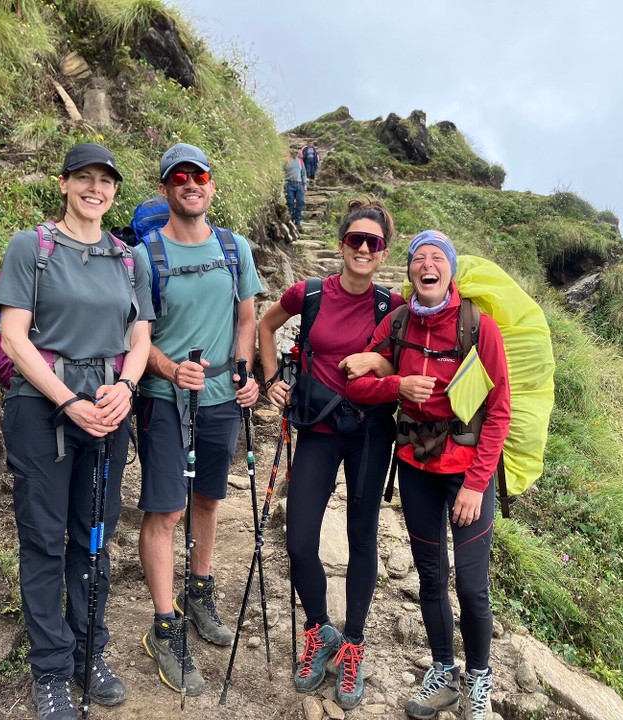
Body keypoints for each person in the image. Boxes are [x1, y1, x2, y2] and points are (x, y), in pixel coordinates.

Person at [0, 143, 154, 720]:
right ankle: (52, 670)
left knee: (94, 537)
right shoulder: (31, 247)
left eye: (105, 181)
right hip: (41, 410)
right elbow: (15, 338)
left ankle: (90, 650)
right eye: (83, 179)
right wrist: (67, 401)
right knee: (43, 538)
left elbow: (139, 338)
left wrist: (126, 389)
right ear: (63, 184)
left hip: (108, 412)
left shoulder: (128, 258)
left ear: (115, 191)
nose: (95, 189)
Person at [346, 230, 511, 720]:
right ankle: (443, 671)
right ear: (410, 271)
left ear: (450, 271)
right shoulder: (397, 323)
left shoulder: (478, 327)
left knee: (473, 587)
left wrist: (479, 485)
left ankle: (479, 678)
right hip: (416, 466)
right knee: (431, 576)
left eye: (438, 257)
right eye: (420, 258)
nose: (428, 264)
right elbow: (359, 385)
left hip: (466, 473)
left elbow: (499, 412)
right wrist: (399, 384)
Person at [258, 199, 404, 709]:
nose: (364, 249)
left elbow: (410, 357)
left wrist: (380, 363)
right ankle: (320, 632)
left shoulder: (394, 306)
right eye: (356, 240)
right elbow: (265, 326)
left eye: (375, 243)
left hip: (369, 433)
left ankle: (355, 644)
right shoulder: (312, 293)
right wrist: (272, 378)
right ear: (342, 244)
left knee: (361, 539)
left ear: (383, 253)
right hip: (318, 428)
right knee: (299, 540)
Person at [134, 142, 262, 696]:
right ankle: (165, 626)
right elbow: (135, 336)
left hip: (220, 402)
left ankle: (199, 588)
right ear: (166, 190)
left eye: (200, 175)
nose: (190, 183)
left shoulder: (235, 249)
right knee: (166, 509)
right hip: (164, 399)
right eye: (178, 176)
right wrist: (167, 368)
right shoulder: (145, 256)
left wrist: (245, 370)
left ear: (212, 186)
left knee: (209, 499)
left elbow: (247, 314)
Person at [283, 147, 307, 230]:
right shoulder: (286, 160)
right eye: (294, 150)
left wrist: (305, 184)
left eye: (297, 150)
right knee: (290, 203)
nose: (295, 152)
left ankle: (298, 221)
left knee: (300, 202)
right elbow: (281, 170)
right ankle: (290, 220)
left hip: (299, 184)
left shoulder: (300, 161)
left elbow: (303, 173)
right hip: (289, 184)